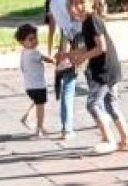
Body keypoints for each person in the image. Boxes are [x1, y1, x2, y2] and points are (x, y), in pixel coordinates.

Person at [68, 0, 128, 154]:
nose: (77, 7)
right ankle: (126, 140)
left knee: (93, 104)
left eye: (81, 2)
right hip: (110, 68)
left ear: (91, 3)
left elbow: (101, 47)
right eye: (73, 4)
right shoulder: (88, 22)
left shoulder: (92, 21)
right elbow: (92, 45)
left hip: (104, 70)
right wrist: (72, 54)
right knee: (111, 105)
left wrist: (82, 57)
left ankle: (108, 140)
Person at [45, 0, 79, 139]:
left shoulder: (53, 3)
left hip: (67, 41)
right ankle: (101, 117)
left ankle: (67, 128)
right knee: (95, 81)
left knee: (68, 87)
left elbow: (53, 27)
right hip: (84, 39)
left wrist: (50, 48)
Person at [16, 24, 55, 137]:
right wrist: (54, 60)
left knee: (37, 103)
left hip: (29, 86)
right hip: (38, 85)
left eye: (35, 38)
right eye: (30, 39)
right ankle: (40, 127)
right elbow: (47, 59)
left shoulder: (23, 52)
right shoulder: (35, 52)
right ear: (22, 42)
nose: (34, 41)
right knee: (41, 107)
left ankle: (27, 117)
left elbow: (22, 67)